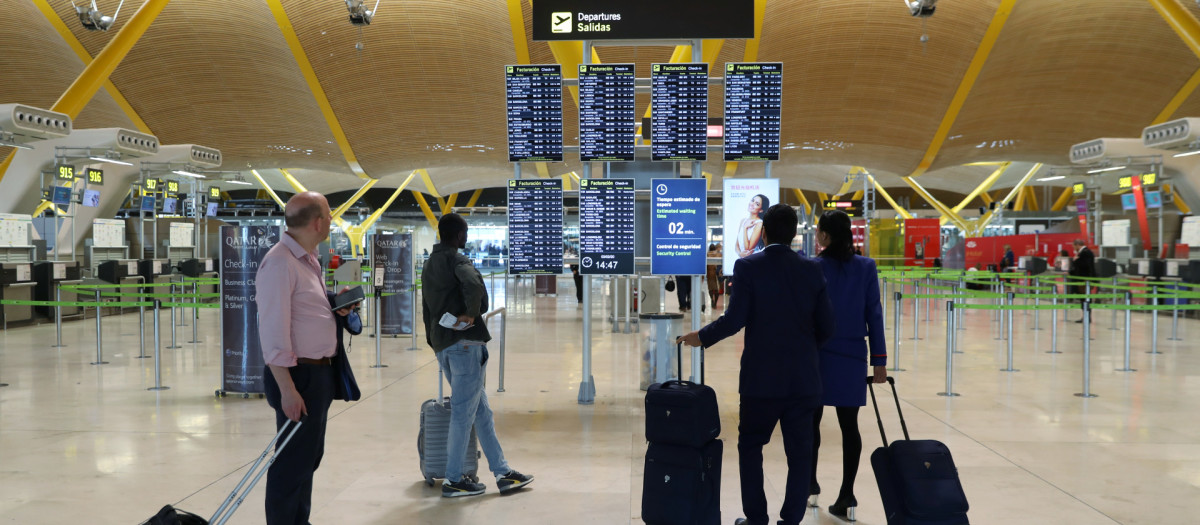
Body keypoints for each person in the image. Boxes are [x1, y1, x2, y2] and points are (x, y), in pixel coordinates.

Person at [678, 204, 835, 525]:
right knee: (800, 454)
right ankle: (791, 520)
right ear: (793, 234)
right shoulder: (812, 270)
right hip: (803, 381)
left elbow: (735, 320)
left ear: (763, 232)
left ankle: (757, 519)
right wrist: (805, 350)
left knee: (751, 447)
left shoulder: (749, 267)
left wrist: (702, 337)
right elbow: (828, 326)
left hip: (760, 381)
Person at [256, 191, 358, 525]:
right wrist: (287, 389)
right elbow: (273, 332)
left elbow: (305, 308)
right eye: (329, 215)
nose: (331, 220)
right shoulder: (279, 262)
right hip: (297, 377)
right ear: (317, 222)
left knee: (308, 458)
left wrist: (334, 302)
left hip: (318, 375)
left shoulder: (307, 258)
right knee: (291, 463)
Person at [422, 213, 533, 497]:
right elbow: (472, 284)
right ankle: (454, 479)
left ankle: (503, 472)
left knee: (481, 412)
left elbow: (427, 307)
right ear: (459, 235)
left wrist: (434, 340)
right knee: (462, 414)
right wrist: (470, 314)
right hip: (466, 347)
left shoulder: (429, 264)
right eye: (466, 232)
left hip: (444, 345)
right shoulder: (458, 261)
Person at [808, 210, 887, 521]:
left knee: (811, 421)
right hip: (853, 355)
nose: (816, 236)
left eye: (818, 232)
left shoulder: (813, 266)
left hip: (818, 355)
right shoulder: (866, 267)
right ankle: (846, 493)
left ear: (826, 236)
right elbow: (874, 314)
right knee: (849, 425)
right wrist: (879, 361)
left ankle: (809, 483)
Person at [1069, 239, 1096, 323]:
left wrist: (1076, 260)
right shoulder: (1084, 252)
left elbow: (1084, 265)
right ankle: (1085, 317)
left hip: (1085, 279)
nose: (1073, 248)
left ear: (1077, 245)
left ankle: (1087, 317)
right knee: (1083, 298)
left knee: (1085, 298)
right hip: (1083, 279)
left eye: (1074, 246)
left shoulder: (1086, 253)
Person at [706, 244, 723, 309]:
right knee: (717, 290)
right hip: (717, 274)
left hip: (710, 274)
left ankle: (712, 300)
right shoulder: (719, 255)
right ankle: (715, 302)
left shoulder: (707, 255)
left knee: (710, 289)